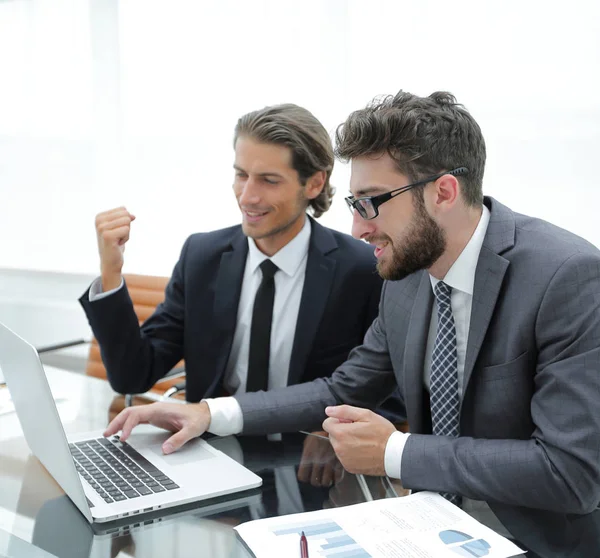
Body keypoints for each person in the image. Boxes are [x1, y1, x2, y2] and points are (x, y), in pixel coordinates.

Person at [104, 91, 600, 552]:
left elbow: (571, 474)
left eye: (372, 203)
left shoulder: (566, 277)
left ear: (444, 192)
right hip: (423, 527)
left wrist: (396, 452)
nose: (359, 228)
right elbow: (342, 389)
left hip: (530, 539)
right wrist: (211, 414)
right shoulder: (406, 275)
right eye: (353, 205)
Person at [80, 103, 403, 420]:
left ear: (315, 183)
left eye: (268, 180)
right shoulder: (202, 256)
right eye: (241, 175)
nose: (247, 196)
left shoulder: (362, 269)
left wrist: (332, 430)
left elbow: (390, 394)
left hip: (305, 458)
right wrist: (111, 271)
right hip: (206, 450)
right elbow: (132, 376)